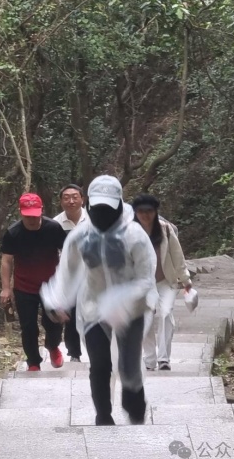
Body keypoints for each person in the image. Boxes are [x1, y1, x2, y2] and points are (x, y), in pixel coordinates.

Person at [41, 176, 158, 426]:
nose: (103, 214)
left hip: (131, 309)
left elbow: (146, 279)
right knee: (100, 364)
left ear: (119, 204)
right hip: (93, 307)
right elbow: (67, 273)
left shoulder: (135, 236)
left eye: (108, 208)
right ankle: (103, 415)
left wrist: (122, 300)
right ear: (89, 205)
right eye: (98, 207)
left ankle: (134, 406)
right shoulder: (81, 237)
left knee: (128, 366)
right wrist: (55, 300)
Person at [0, 193, 67, 371]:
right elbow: (6, 261)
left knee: (54, 322)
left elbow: (68, 253)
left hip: (51, 286)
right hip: (24, 286)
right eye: (28, 215)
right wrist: (6, 288)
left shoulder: (53, 228)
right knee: (28, 326)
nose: (31, 219)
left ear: (41, 211)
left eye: (35, 215)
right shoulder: (13, 232)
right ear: (20, 212)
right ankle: (34, 362)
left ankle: (52, 346)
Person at [132, 194, 192, 371]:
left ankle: (164, 358)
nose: (145, 215)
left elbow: (177, 255)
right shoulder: (129, 231)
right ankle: (149, 359)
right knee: (146, 319)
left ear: (155, 211)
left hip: (166, 280)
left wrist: (186, 279)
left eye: (149, 211)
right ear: (135, 212)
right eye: (141, 211)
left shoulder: (165, 229)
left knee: (166, 313)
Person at [53, 184, 90, 362]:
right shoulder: (55, 223)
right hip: (68, 277)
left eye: (75, 197)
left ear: (83, 199)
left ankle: (97, 350)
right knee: (72, 315)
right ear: (61, 201)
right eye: (66, 197)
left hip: (92, 275)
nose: (71, 201)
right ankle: (74, 353)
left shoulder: (92, 220)